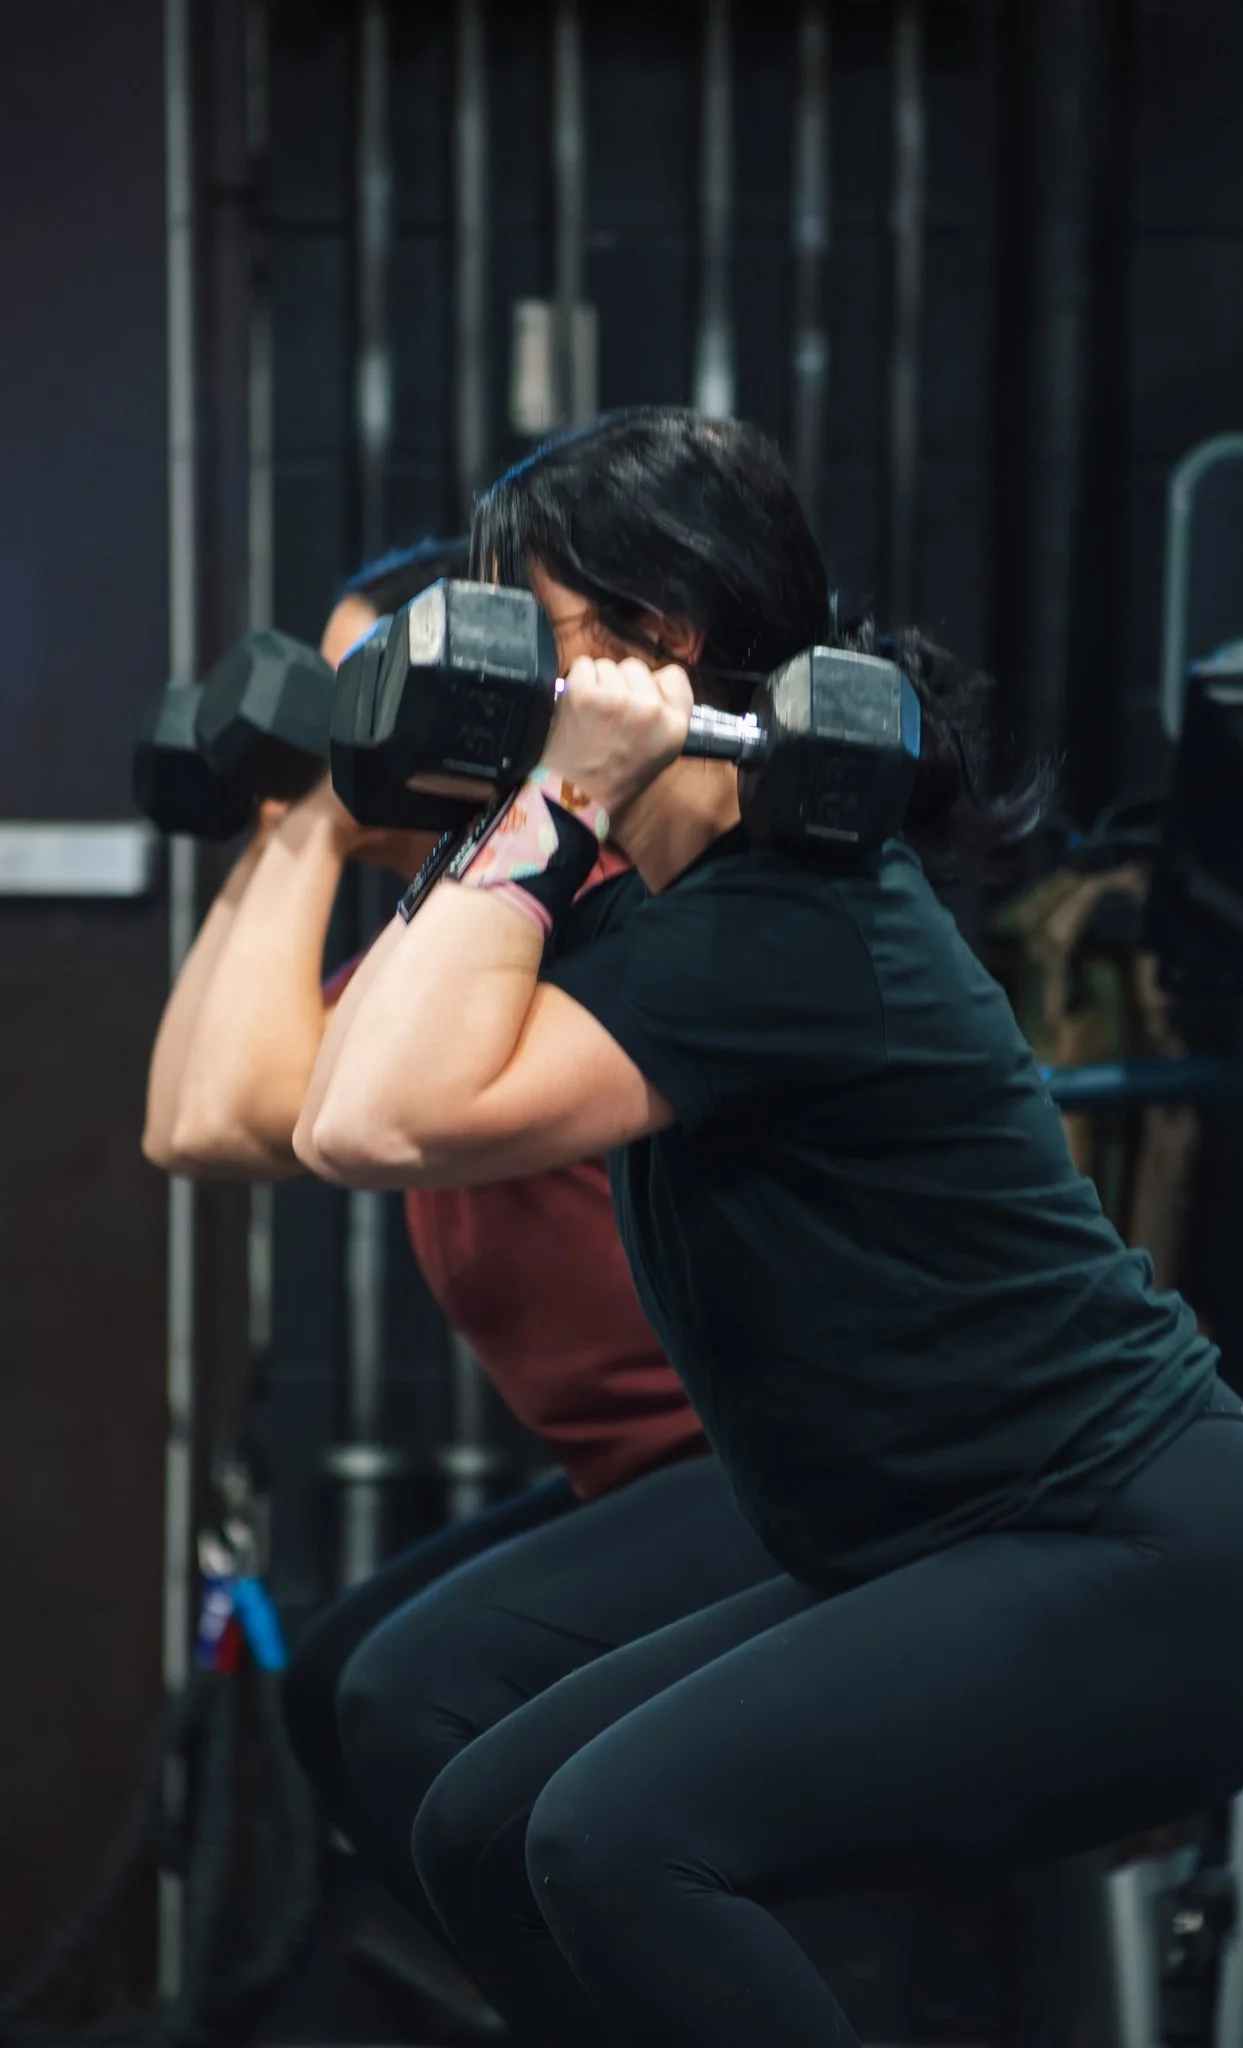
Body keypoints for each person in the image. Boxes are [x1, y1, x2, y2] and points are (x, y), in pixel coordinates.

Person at [297, 407, 1243, 2048]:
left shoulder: (789, 923)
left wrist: (549, 808)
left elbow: (375, 1123)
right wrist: (519, 812)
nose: (488, 677)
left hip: (1139, 1559)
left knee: (617, 1839)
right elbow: (336, 1092)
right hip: (938, 1538)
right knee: (485, 1819)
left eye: (524, 633)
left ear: (657, 645)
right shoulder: (649, 901)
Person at [141, 536, 780, 1951]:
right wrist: (288, 815)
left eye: (379, 683)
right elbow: (192, 1115)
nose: (346, 722)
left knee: (404, 1697)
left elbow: (239, 1106)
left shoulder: (570, 921)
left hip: (763, 1468)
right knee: (333, 1687)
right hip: (641, 1475)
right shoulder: (440, 941)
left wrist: (309, 816)